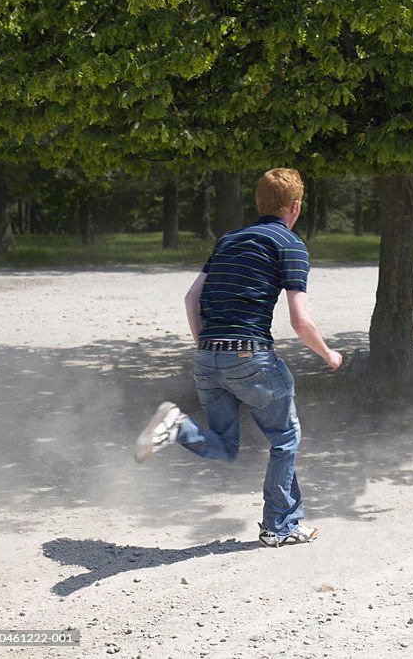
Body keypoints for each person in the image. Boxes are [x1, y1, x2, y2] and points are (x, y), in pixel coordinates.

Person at [134, 168, 342, 548]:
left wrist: (209, 350)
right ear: (295, 206)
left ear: (258, 203)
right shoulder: (289, 243)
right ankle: (279, 526)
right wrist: (328, 353)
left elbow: (191, 298)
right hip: (251, 357)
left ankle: (176, 426)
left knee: (224, 444)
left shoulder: (229, 239)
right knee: (285, 438)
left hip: (208, 356)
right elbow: (300, 320)